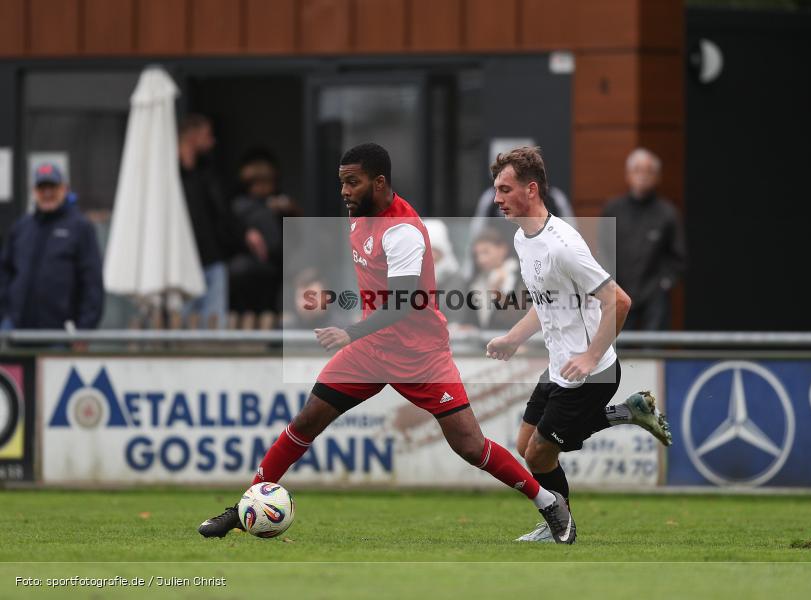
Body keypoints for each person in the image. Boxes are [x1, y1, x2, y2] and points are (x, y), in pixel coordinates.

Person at [198, 143, 576, 543]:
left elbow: (403, 303)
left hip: (421, 356)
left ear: (379, 183)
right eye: (342, 182)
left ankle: (549, 503)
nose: (344, 191)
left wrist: (349, 332)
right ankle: (245, 509)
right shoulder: (359, 215)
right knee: (306, 420)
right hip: (372, 351)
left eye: (352, 182)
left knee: (470, 446)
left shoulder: (403, 231)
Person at [485, 147, 672, 544]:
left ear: (531, 190)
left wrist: (589, 356)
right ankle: (628, 412)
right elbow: (546, 303)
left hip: (592, 372)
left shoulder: (563, 244)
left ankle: (561, 526)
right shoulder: (523, 238)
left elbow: (619, 301)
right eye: (496, 189)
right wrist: (514, 338)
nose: (497, 198)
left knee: (538, 454)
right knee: (526, 446)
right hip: (561, 366)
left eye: (504, 189)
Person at [0, 163, 103, 331]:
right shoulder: (21, 227)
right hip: (15, 328)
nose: (47, 193)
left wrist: (85, 328)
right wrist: (4, 315)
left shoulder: (80, 227)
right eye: (42, 188)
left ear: (64, 189)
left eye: (52, 187)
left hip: (59, 333)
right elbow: (4, 273)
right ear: (33, 191)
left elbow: (92, 282)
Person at [602, 148, 686, 330]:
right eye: (638, 170)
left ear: (658, 177)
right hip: (619, 291)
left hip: (654, 296)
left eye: (649, 171)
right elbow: (602, 251)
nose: (643, 176)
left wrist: (664, 283)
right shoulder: (613, 210)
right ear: (628, 175)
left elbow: (678, 257)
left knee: (653, 350)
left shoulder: (667, 213)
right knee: (617, 349)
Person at [178, 114, 236, 328]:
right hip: (182, 261)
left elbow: (221, 210)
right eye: (207, 135)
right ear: (192, 136)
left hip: (212, 257)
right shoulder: (169, 174)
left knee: (214, 326)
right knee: (181, 325)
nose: (212, 142)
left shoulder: (208, 171)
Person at [229, 150, 294, 315]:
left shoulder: (277, 203)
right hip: (255, 270)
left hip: (279, 266)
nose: (268, 187)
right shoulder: (242, 206)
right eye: (263, 183)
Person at [461, 226, 526, 331]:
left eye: (486, 252)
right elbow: (474, 319)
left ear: (502, 249)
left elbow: (521, 318)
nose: (481, 259)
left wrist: (498, 294)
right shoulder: (475, 283)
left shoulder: (520, 277)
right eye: (477, 255)